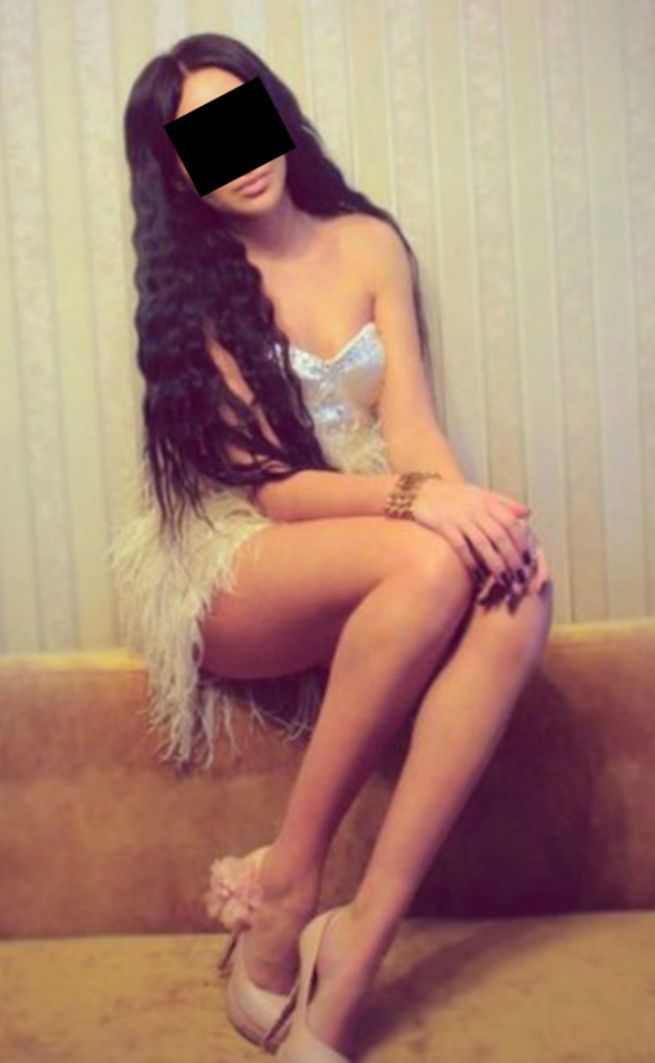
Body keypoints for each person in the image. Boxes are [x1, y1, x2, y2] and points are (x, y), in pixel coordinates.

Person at [109, 32, 554, 1063]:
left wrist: (464, 508)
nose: (237, 154)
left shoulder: (368, 245)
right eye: (201, 141)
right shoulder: (197, 286)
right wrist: (419, 505)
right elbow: (270, 485)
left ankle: (355, 945)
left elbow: (412, 426)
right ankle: (290, 882)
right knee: (430, 554)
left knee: (516, 583)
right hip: (238, 554)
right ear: (176, 172)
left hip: (368, 526)